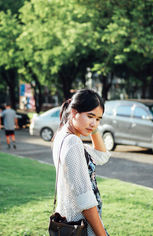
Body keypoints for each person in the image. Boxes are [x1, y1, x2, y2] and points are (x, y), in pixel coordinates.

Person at [52, 89, 111, 236]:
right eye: (90, 116)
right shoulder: (72, 142)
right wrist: (102, 234)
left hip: (72, 221)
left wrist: (93, 129)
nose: (94, 123)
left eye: (98, 119)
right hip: (81, 225)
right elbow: (85, 201)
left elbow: (102, 156)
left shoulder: (63, 136)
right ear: (74, 112)